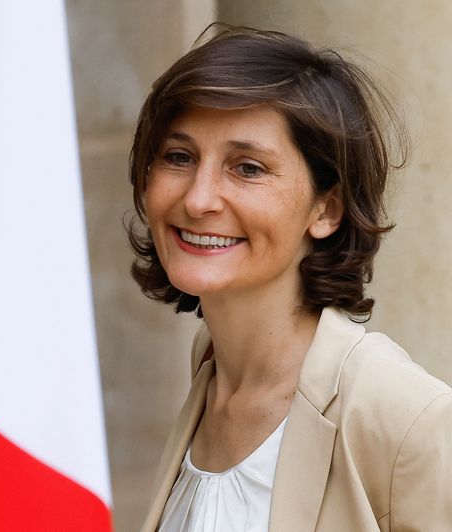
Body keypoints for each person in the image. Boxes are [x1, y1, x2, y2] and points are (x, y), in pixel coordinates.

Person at [128, 26, 452, 532]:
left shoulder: (402, 413)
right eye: (179, 157)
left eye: (248, 168)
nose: (198, 199)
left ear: (326, 210)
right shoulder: (212, 369)